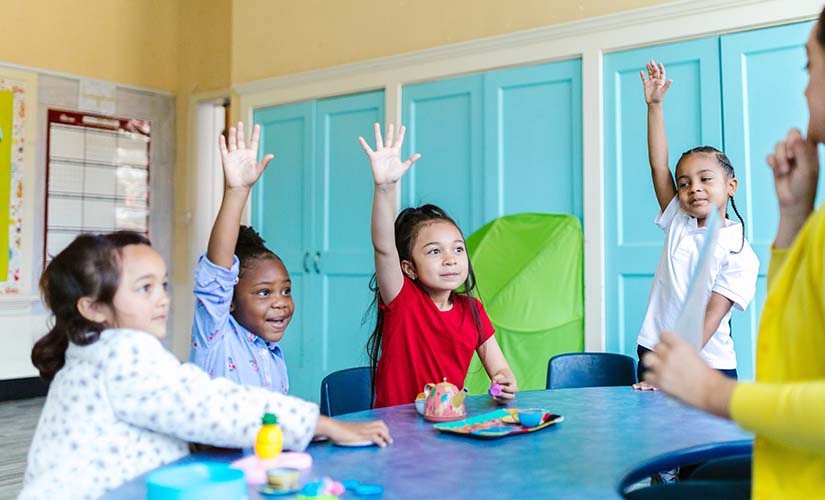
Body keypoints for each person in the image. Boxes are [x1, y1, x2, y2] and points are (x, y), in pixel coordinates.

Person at [644, 0, 825, 497]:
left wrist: (712, 391)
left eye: (810, 65)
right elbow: (803, 339)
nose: (805, 86)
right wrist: (795, 216)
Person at [21, 232, 391, 499]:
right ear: (93, 308)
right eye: (144, 288)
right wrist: (319, 423)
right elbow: (211, 404)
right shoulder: (120, 355)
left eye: (163, 285)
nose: (163, 298)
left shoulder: (95, 353)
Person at [357, 123, 518, 407]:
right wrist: (384, 189)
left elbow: (501, 370)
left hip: (448, 428)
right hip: (396, 432)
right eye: (434, 251)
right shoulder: (402, 299)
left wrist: (504, 383)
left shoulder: (473, 310)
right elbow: (384, 247)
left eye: (458, 249)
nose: (450, 259)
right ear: (409, 268)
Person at [634, 60, 759, 388]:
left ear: (731, 186)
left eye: (705, 179)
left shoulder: (739, 252)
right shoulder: (678, 219)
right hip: (655, 353)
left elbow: (709, 318)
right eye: (684, 183)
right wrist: (655, 106)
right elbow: (658, 165)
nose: (694, 189)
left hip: (707, 367)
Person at [190, 123, 292, 393]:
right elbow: (217, 273)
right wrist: (237, 192)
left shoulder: (272, 354)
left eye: (285, 290)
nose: (280, 302)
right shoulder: (216, 337)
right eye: (264, 293)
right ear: (230, 301)